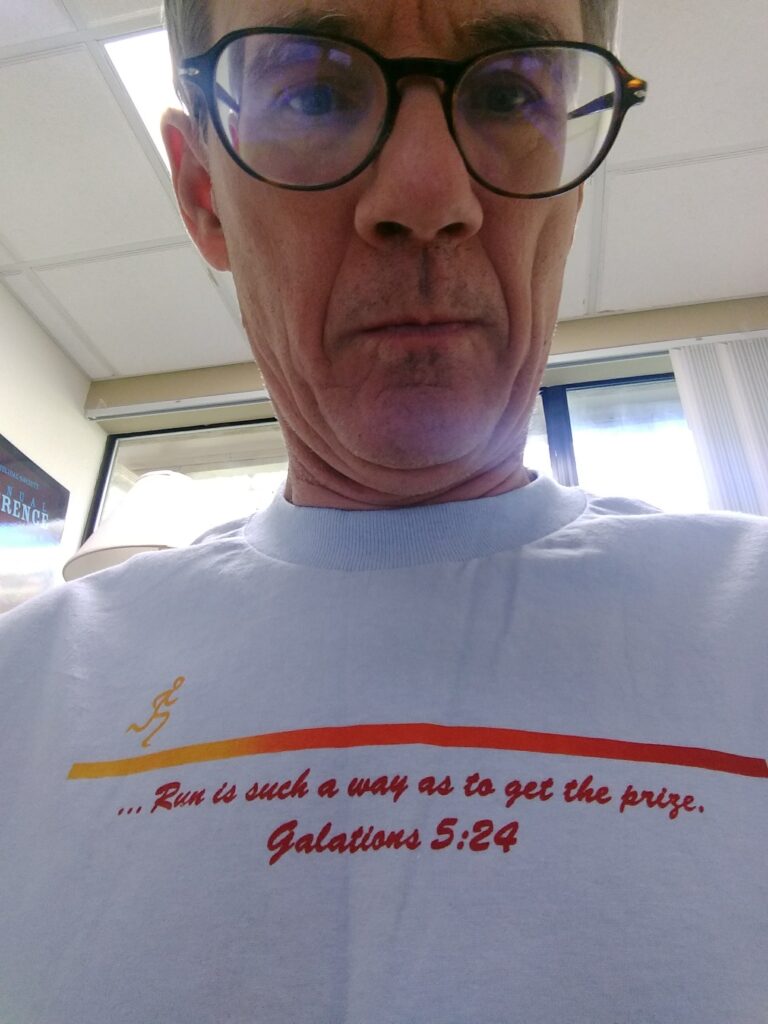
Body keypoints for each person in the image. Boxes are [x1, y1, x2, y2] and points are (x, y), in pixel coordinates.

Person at [0, 1, 766, 1021]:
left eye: (507, 95)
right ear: (204, 196)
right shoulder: (26, 689)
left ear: (572, 185)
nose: (427, 195)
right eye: (318, 93)